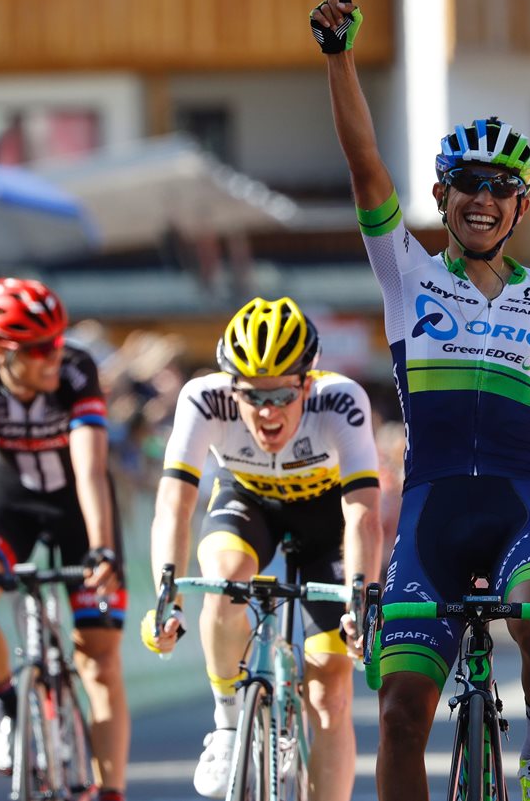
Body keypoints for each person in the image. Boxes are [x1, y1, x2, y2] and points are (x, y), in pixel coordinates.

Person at [311, 0, 530, 801]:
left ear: (521, 208)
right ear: (443, 193)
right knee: (397, 714)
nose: (483, 198)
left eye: (502, 188)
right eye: (468, 183)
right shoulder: (408, 273)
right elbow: (364, 168)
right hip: (430, 513)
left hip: (515, 506)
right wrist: (339, 57)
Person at [143, 296, 381, 801]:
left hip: (325, 522)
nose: (267, 413)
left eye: (282, 396)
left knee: (329, 695)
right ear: (232, 387)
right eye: (253, 396)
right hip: (246, 504)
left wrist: (362, 601)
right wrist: (167, 594)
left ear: (308, 383)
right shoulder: (204, 398)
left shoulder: (340, 400)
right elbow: (174, 504)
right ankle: (229, 725)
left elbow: (362, 513)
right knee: (225, 582)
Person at [0, 277, 130, 801]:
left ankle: (111, 792)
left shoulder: (77, 370)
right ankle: (11, 708)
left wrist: (102, 547)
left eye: (57, 342)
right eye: (38, 349)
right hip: (10, 500)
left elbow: (90, 466)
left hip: (79, 509)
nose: (52, 357)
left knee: (99, 660)